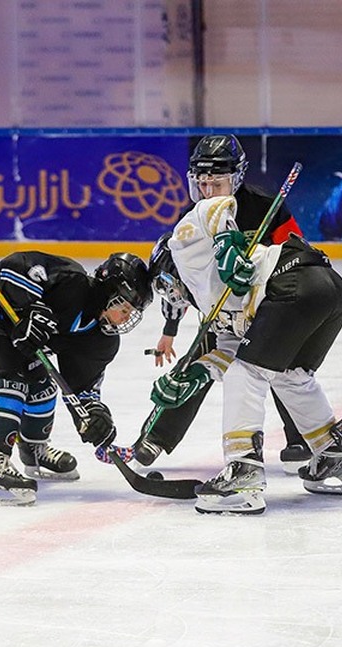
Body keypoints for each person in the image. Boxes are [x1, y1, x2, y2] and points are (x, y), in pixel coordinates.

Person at [151, 194, 342, 515]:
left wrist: (226, 244)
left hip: (292, 282)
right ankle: (332, 453)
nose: (175, 294)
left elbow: (214, 206)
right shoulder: (210, 301)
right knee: (290, 376)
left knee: (245, 373)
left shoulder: (183, 250)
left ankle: (243, 471)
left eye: (168, 285)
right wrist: (197, 374)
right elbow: (230, 347)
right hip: (327, 289)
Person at [134, 134, 310, 474]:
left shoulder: (265, 205)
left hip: (268, 304)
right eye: (202, 184)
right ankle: (155, 436)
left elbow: (297, 253)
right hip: (221, 313)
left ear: (237, 177)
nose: (209, 192)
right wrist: (170, 328)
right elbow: (182, 279)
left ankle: (301, 437)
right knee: (194, 365)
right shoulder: (193, 217)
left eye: (217, 183)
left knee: (282, 363)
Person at [0, 251, 152, 506]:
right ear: (109, 292)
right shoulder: (70, 279)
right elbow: (14, 267)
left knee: (42, 385)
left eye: (131, 312)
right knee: (12, 380)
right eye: (124, 308)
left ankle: (34, 450)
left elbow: (82, 390)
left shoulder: (101, 341)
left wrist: (95, 417)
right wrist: (27, 308)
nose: (126, 318)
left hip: (7, 331)